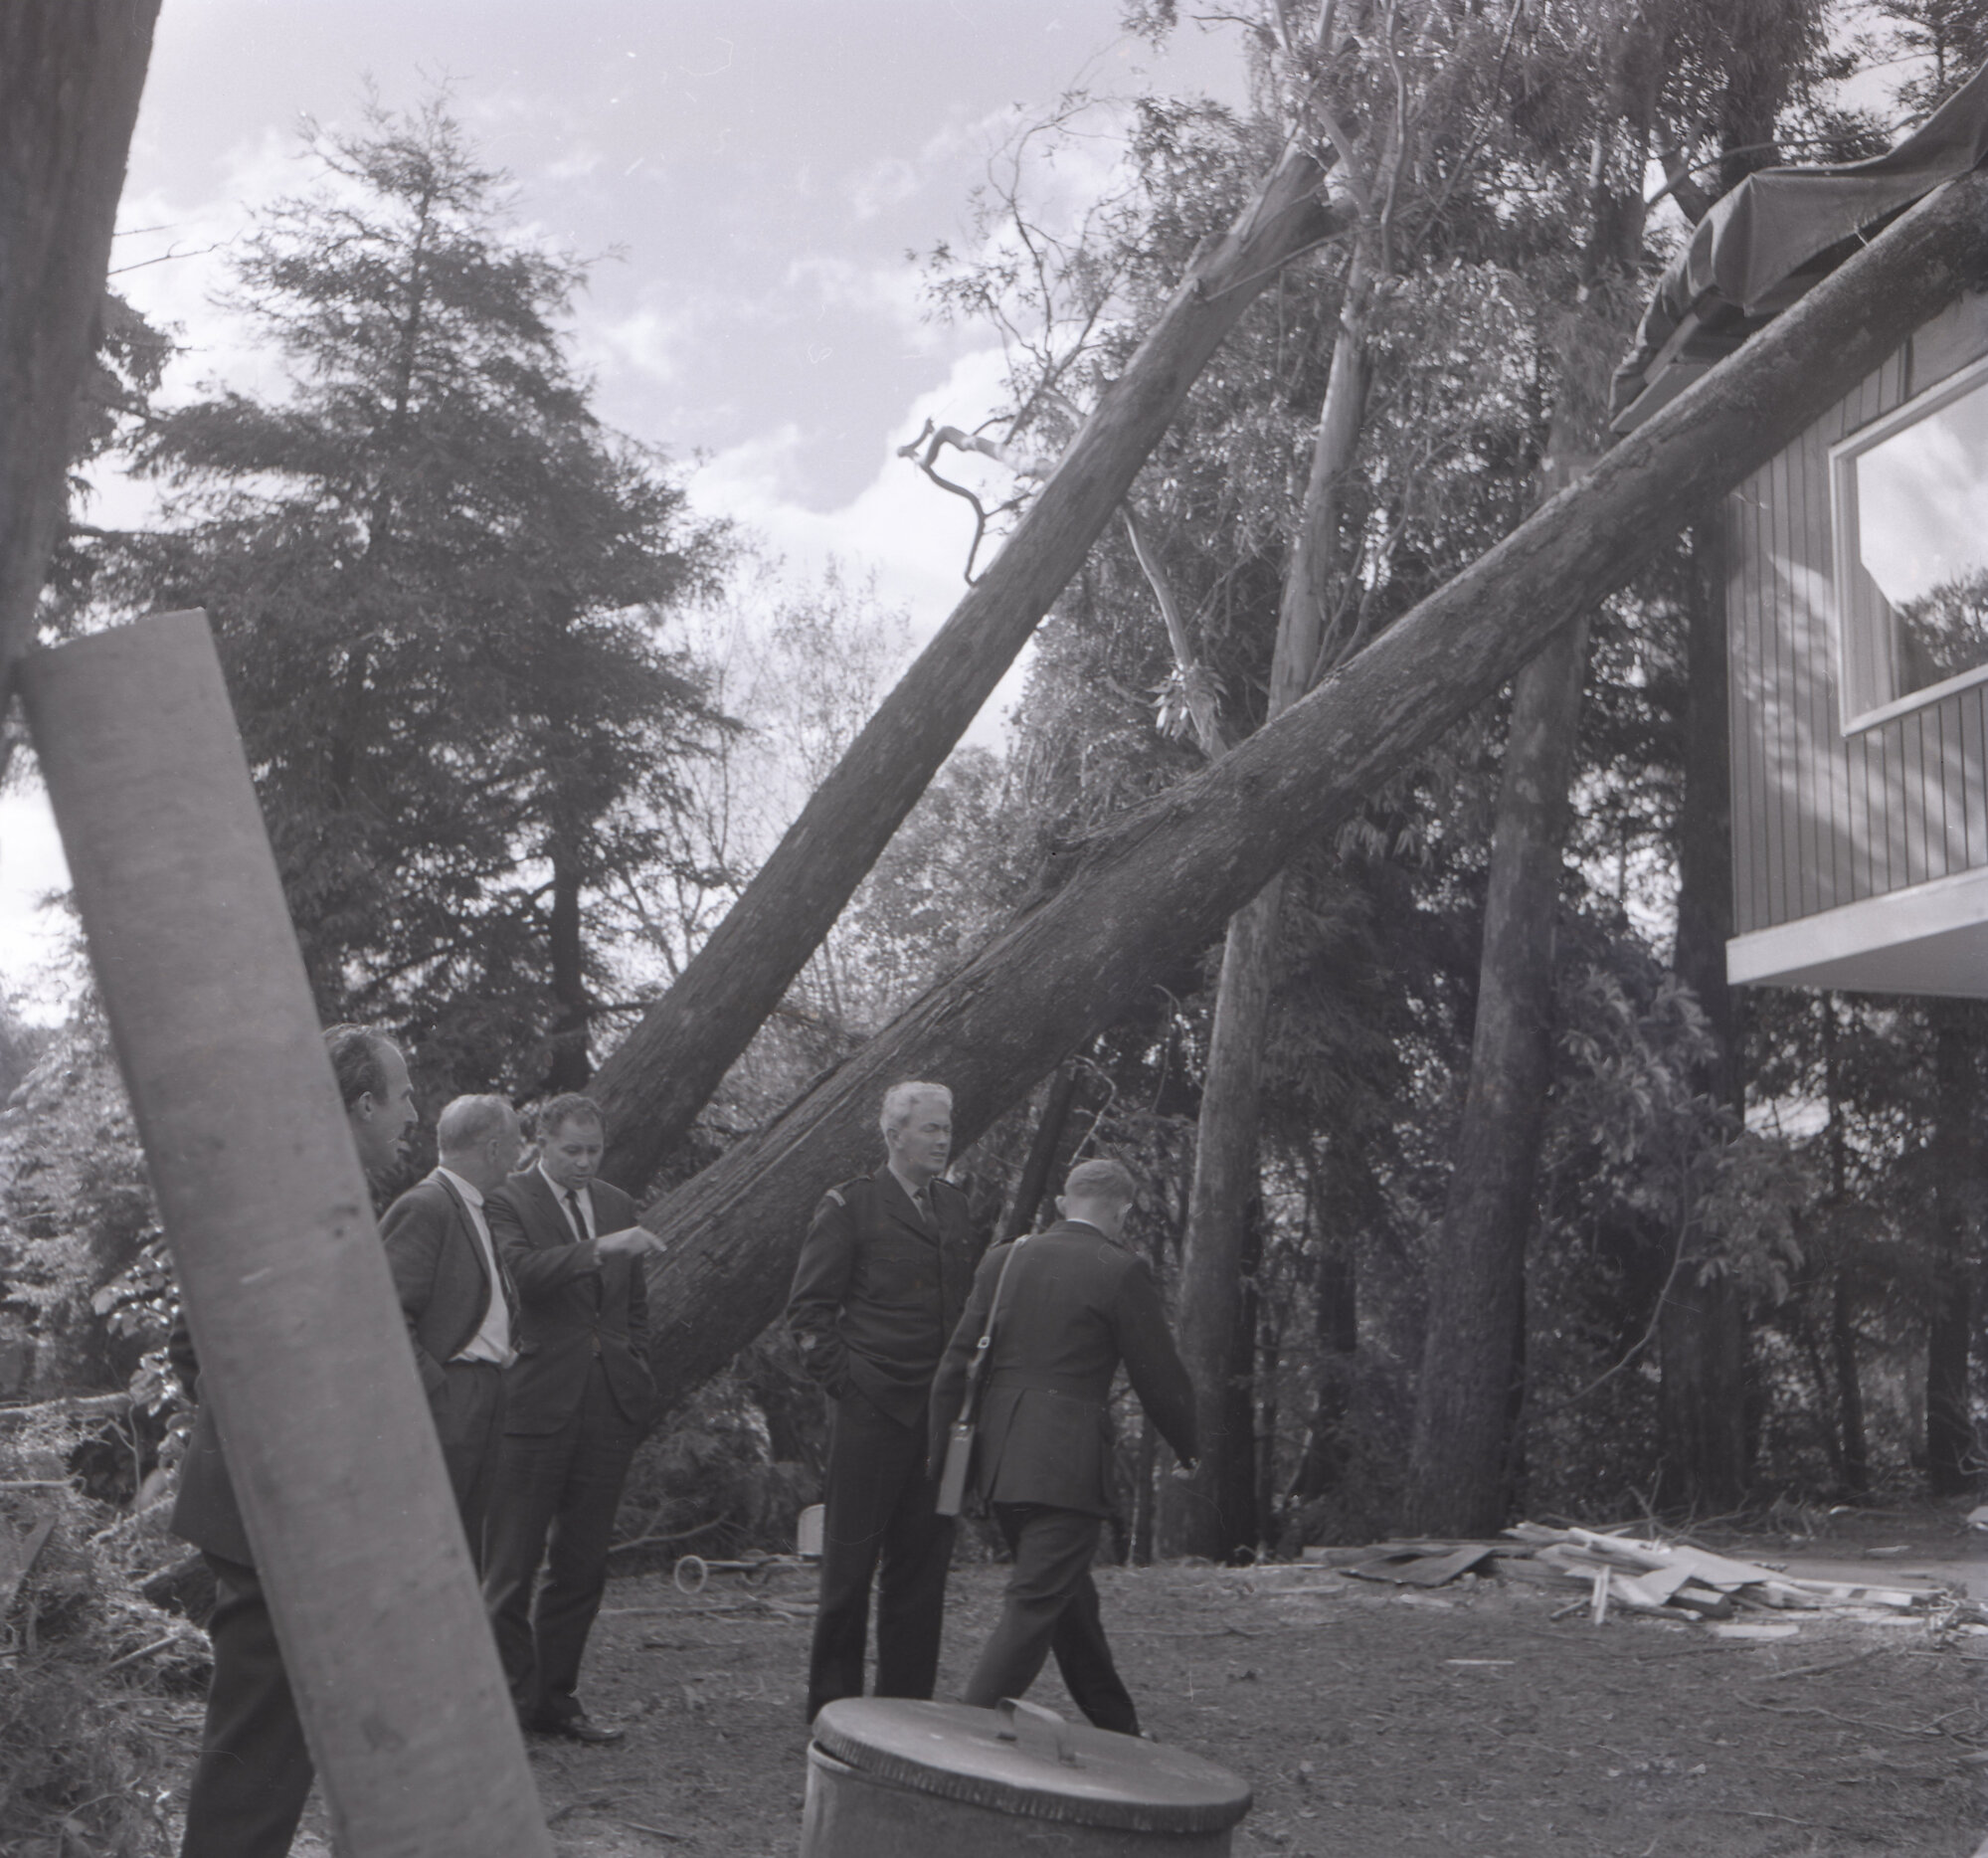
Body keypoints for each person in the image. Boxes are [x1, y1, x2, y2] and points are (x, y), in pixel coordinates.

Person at [171, 1023, 418, 1858]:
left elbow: (191, 1344)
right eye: (404, 1095)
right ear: (359, 1104)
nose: (413, 1115)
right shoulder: (300, 1196)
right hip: (277, 1519)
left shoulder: (307, 1183)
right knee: (255, 1764)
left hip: (294, 1514)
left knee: (283, 1750)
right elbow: (214, 1345)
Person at [929, 1158, 1197, 1738]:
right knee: (1034, 1602)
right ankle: (959, 1737)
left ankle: (1120, 1731)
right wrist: (1190, 1447)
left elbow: (954, 1367)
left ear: (1061, 1203)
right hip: (1066, 1463)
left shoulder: (1005, 1258)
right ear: (1123, 1212)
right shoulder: (1118, 1268)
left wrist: (943, 1459)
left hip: (1000, 1464)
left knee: (1068, 1600)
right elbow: (1160, 1377)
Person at [786, 1079, 985, 1721]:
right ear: (894, 1134)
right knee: (848, 1574)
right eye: (930, 1127)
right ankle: (834, 1716)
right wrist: (850, 1384)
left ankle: (906, 1719)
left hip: (939, 1420)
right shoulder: (850, 1206)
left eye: (947, 1126)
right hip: (872, 1412)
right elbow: (810, 1313)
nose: (942, 1137)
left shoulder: (954, 1207)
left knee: (921, 1578)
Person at [482, 1092, 661, 1745]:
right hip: (534, 1402)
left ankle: (554, 1701)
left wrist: (635, 1367)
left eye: (594, 1151)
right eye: (572, 1151)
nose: (585, 1163)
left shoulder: (616, 1204)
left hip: (606, 1403)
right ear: (540, 1143)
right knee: (511, 1565)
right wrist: (600, 1249)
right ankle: (505, 1709)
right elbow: (523, 1275)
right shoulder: (508, 1200)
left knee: (581, 1565)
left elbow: (633, 1307)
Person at [378, 1093, 523, 1569]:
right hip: (451, 1397)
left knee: (466, 1552)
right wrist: (437, 1394)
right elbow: (386, 1317)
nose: (521, 1158)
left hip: (484, 1394)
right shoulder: (427, 1206)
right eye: (518, 1144)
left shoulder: (474, 1207)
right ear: (494, 1148)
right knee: (433, 1551)